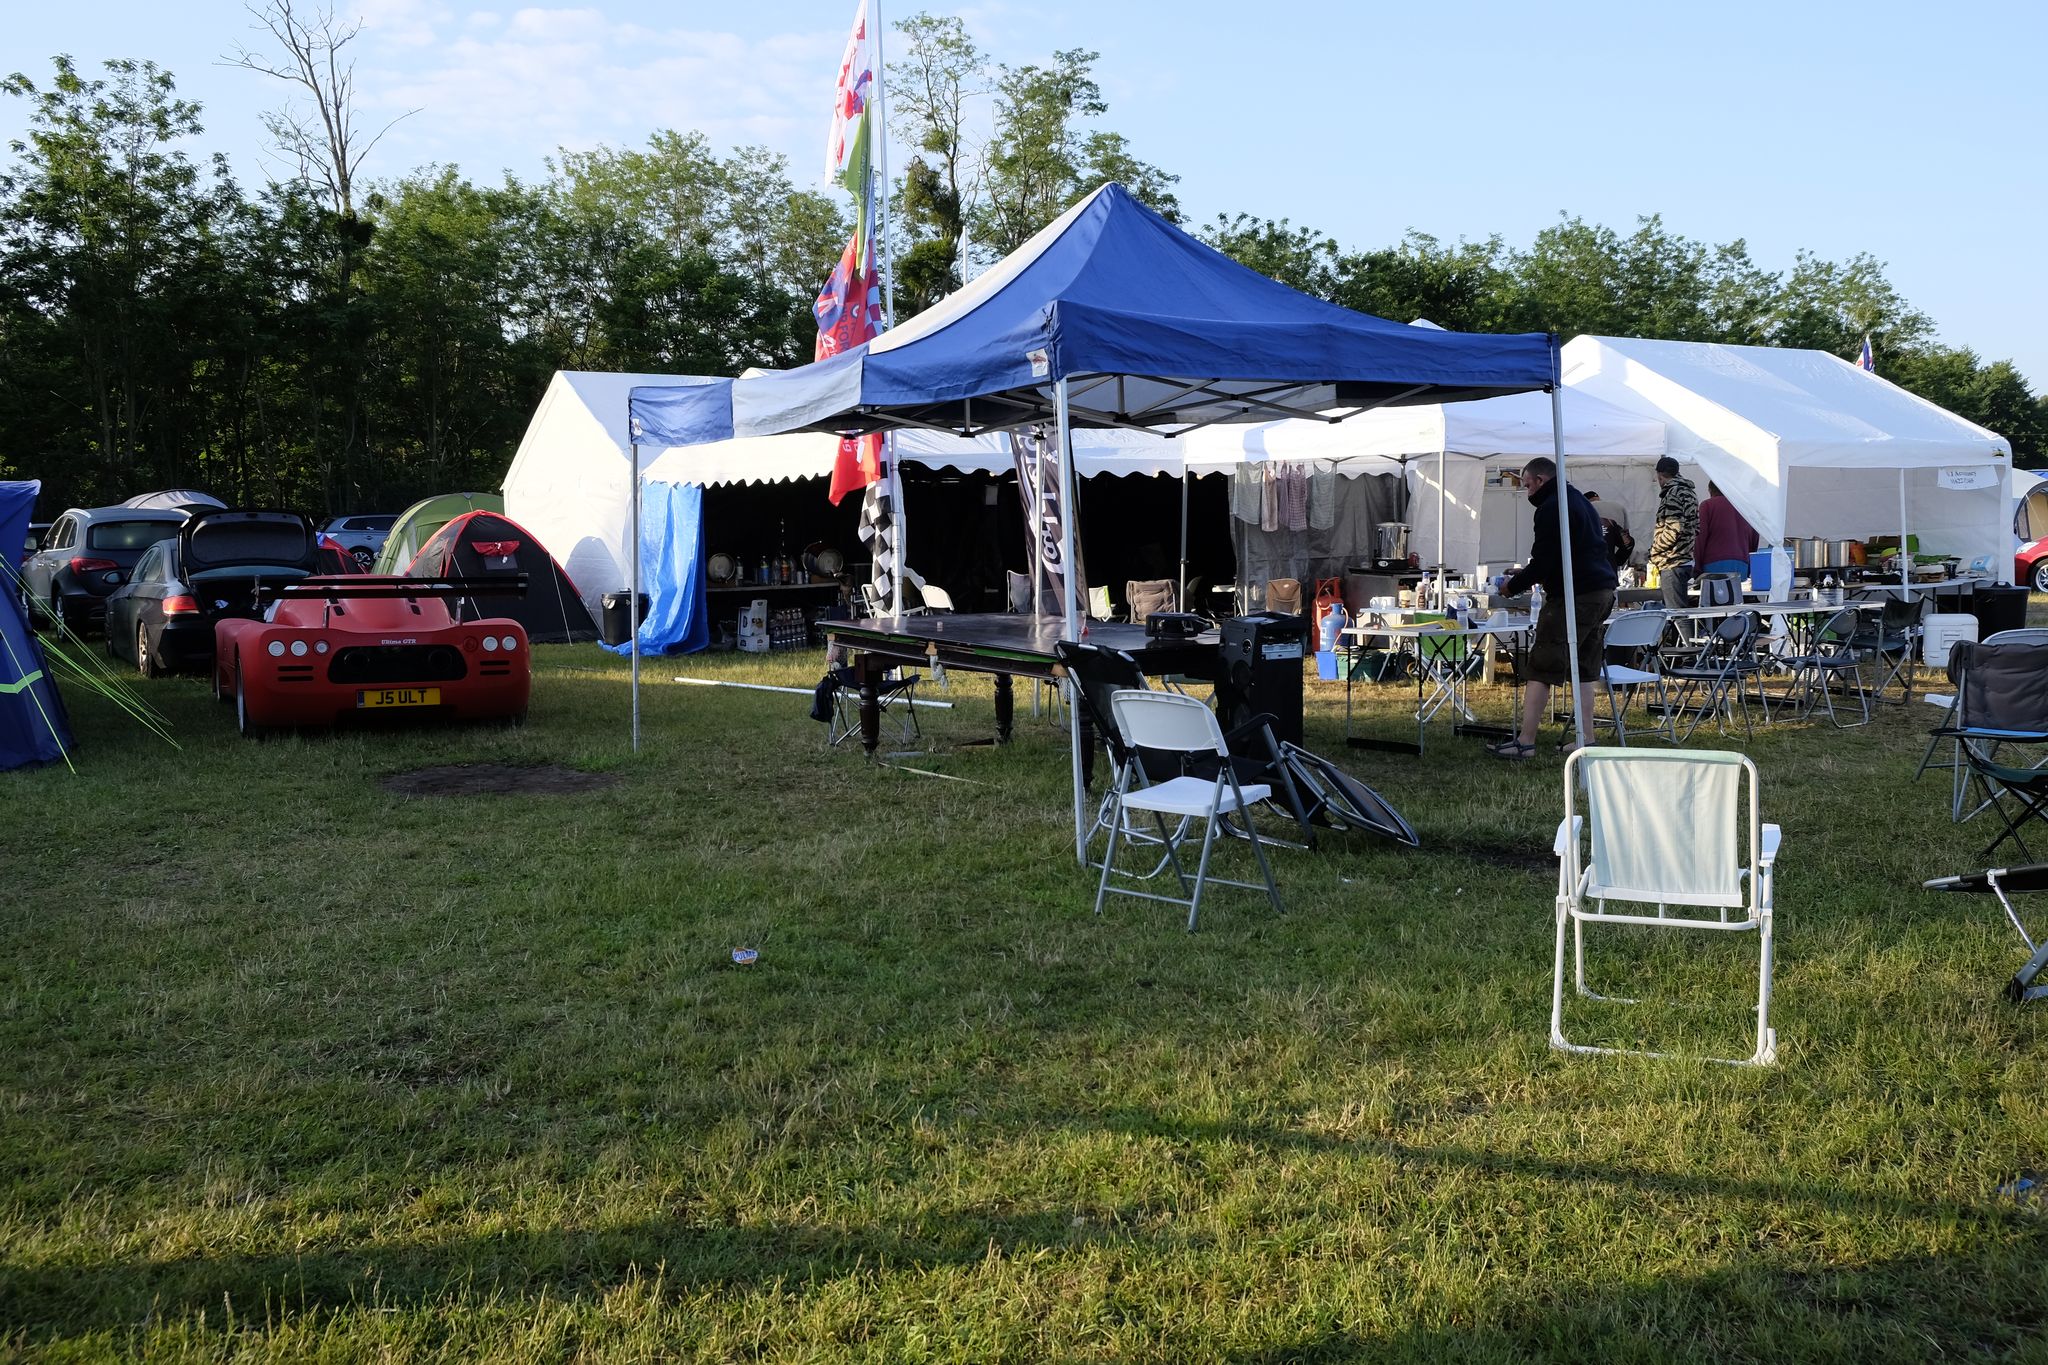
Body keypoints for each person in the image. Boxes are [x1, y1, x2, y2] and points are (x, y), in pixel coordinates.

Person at [1488, 457, 1618, 760]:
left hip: (1575, 595)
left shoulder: (1551, 507)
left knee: (1542, 665)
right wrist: (1525, 575)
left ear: (1541, 480)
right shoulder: (1579, 500)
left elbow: (1545, 561)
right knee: (1583, 669)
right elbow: (1565, 553)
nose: (1527, 491)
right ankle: (1586, 739)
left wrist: (1512, 586)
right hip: (1601, 591)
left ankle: (1525, 742)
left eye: (1527, 485)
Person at [1650, 456, 1699, 611]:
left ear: (1660, 475)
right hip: (1686, 559)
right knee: (1681, 612)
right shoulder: (1689, 492)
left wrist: (1654, 550)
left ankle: (1684, 630)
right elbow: (1697, 527)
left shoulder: (1673, 493)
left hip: (1672, 561)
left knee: (1676, 614)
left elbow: (1673, 529)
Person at [1693, 481, 1759, 575]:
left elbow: (1700, 537)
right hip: (1742, 563)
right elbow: (1755, 536)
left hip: (1714, 562)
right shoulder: (1745, 507)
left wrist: (1697, 567)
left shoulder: (1707, 505)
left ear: (1710, 490)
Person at [1586, 491, 1635, 569]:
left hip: (1591, 564)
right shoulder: (1618, 507)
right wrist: (1617, 561)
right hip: (1611, 563)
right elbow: (1628, 540)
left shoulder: (1586, 508)